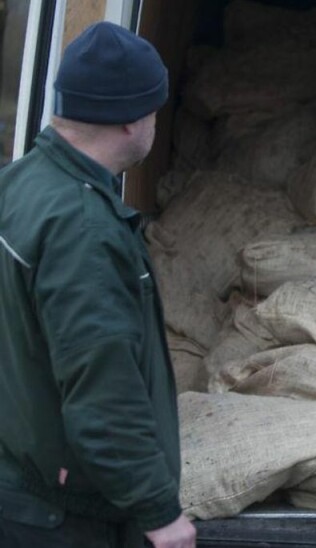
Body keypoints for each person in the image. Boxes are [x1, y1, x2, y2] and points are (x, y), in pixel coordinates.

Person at [0, 22, 195, 548]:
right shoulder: (83, 231)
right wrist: (160, 513)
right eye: (154, 110)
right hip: (62, 516)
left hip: (21, 476)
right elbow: (103, 394)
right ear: (132, 121)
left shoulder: (18, 183)